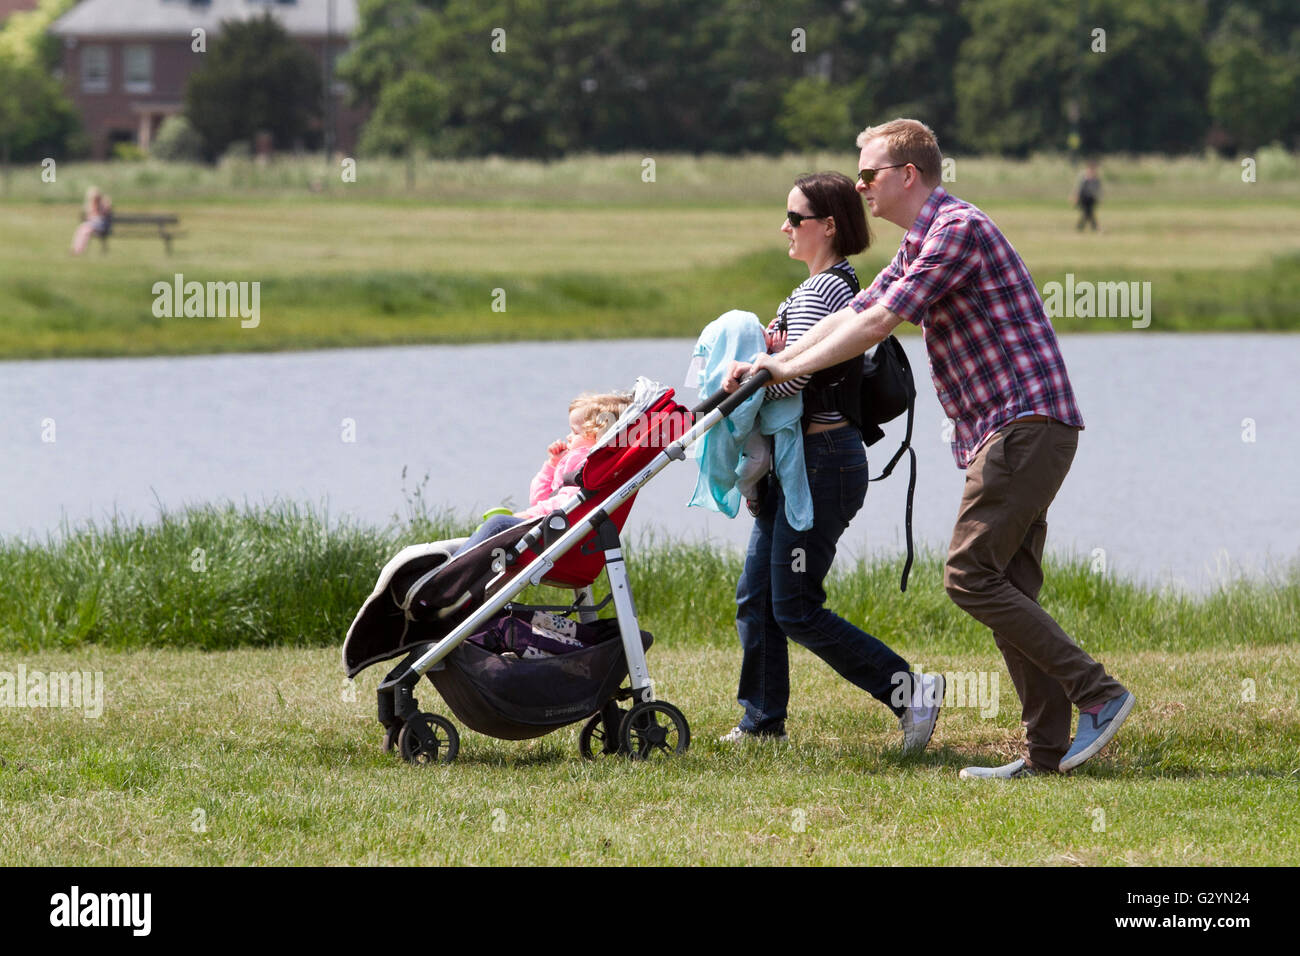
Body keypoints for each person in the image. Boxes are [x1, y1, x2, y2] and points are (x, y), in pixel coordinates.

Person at [728, 120, 1134, 778]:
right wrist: (765, 366)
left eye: (868, 176)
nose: (859, 187)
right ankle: (1045, 753)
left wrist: (778, 372)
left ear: (907, 175)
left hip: (1024, 424)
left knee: (969, 576)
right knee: (1009, 588)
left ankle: (1100, 693)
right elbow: (856, 312)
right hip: (1009, 430)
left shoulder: (955, 230)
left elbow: (877, 325)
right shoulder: (924, 239)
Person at [719, 171, 945, 752]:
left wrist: (738, 395)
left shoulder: (825, 293)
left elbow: (796, 383)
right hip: (804, 464)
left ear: (828, 226)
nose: (785, 228)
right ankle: (761, 721)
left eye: (795, 218)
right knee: (758, 595)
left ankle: (910, 691)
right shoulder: (820, 287)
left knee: (793, 605)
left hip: (821, 464)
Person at [454, 391, 632, 554]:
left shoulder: (587, 464)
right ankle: (453, 566)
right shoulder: (579, 464)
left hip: (555, 532)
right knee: (492, 527)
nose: (568, 437)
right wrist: (552, 465)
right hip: (552, 527)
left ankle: (448, 574)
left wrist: (529, 516)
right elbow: (541, 500)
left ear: (599, 436)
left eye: (575, 432)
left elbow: (566, 504)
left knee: (498, 524)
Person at [71, 187, 112, 255]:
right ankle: (77, 249)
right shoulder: (92, 205)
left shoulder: (103, 204)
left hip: (101, 227)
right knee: (81, 230)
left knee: (84, 230)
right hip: (92, 225)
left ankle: (78, 250)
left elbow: (104, 215)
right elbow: (88, 216)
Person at [1074, 161, 1101, 231]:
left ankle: (1082, 227)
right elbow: (1079, 189)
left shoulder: (1096, 180)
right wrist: (1076, 197)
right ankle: (1093, 227)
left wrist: (1098, 198)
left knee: (1088, 213)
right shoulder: (1084, 179)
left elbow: (1098, 190)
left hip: (1091, 198)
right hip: (1084, 198)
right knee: (1088, 212)